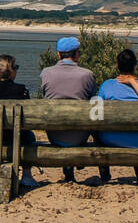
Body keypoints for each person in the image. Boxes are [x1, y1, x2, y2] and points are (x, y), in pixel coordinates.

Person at [38, 36, 96, 183]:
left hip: (55, 134)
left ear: (58, 54)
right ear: (76, 54)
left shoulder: (46, 73)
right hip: (79, 136)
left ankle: (68, 168)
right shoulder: (87, 75)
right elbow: (93, 100)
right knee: (96, 113)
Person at [95, 49, 138, 184]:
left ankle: (105, 175)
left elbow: (96, 114)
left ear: (117, 65)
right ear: (135, 66)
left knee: (95, 130)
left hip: (110, 139)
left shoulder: (106, 85)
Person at [0, 54, 38, 188]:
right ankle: (27, 175)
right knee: (31, 137)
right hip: (20, 137)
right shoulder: (21, 90)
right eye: (16, 67)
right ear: (12, 71)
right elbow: (27, 117)